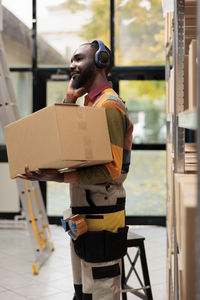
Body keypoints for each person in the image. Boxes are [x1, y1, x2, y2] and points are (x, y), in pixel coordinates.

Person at [17, 40, 133, 300]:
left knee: (100, 291)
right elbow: (63, 145)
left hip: (101, 218)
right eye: (72, 59)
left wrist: (59, 176)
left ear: (101, 62)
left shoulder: (109, 106)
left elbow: (113, 170)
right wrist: (69, 98)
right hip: (85, 216)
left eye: (79, 58)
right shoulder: (89, 106)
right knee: (83, 292)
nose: (72, 64)